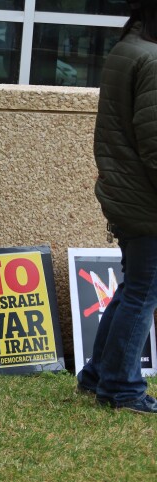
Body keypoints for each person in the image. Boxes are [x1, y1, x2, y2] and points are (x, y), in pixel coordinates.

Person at [77, 0, 157, 413]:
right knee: (143, 292)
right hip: (145, 201)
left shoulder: (127, 48)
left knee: (134, 288)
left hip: (126, 194)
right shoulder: (151, 58)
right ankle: (123, 388)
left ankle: (96, 376)